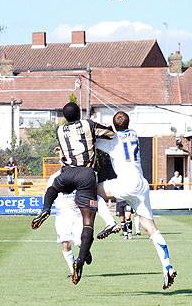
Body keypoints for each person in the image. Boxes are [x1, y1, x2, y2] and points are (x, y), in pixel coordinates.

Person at [31, 102, 119, 285]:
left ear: (65, 117)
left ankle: (45, 209)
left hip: (67, 172)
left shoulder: (59, 130)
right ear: (79, 114)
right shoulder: (88, 124)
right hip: (86, 175)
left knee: (53, 188)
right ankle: (79, 261)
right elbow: (110, 134)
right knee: (88, 223)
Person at [96, 111, 177, 290]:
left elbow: (93, 140)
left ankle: (110, 223)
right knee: (152, 229)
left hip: (126, 183)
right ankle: (167, 266)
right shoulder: (133, 134)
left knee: (91, 190)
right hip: (141, 184)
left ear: (114, 125)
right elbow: (120, 127)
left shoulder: (113, 140)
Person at [48, 170, 118, 277]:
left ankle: (85, 252)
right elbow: (50, 193)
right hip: (63, 215)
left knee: (81, 242)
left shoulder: (83, 174)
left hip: (78, 214)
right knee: (65, 244)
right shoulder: (54, 177)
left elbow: (92, 196)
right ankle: (73, 271)